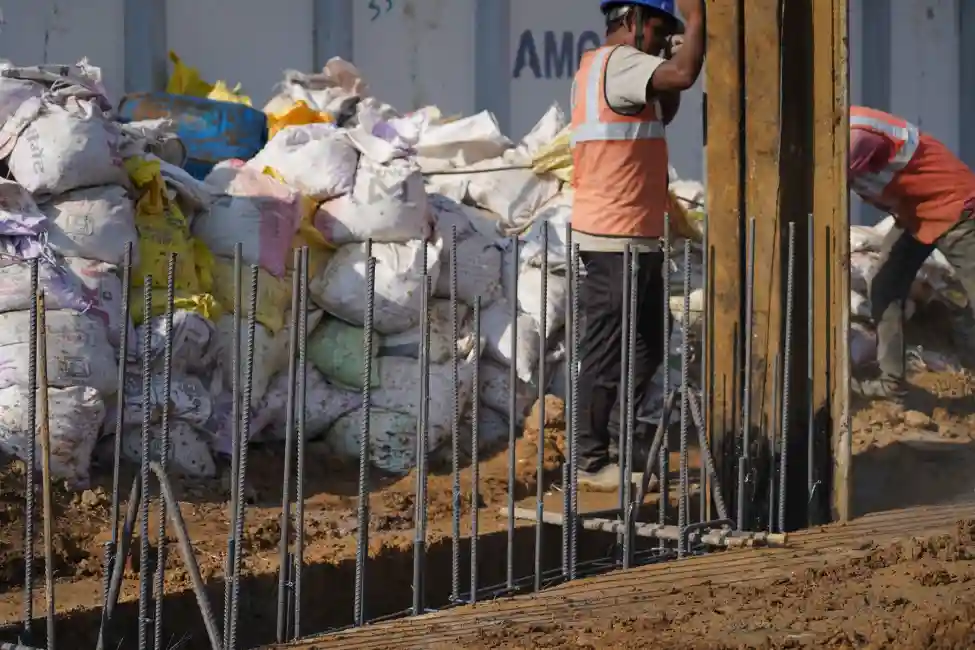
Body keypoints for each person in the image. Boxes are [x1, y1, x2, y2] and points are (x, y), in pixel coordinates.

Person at [571, 0, 705, 489]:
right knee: (607, 349)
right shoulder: (621, 61)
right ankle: (589, 462)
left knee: (648, 339)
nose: (662, 39)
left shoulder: (610, 66)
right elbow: (685, 75)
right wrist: (695, 21)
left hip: (636, 232)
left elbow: (666, 105)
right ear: (629, 21)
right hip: (613, 234)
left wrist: (674, 46)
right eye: (657, 28)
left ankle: (619, 442)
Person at [849, 105, 975, 399]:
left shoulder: (856, 133)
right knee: (885, 287)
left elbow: (830, 172)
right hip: (916, 214)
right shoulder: (840, 134)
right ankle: (892, 383)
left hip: (955, 207)